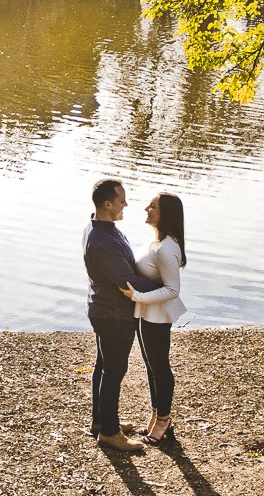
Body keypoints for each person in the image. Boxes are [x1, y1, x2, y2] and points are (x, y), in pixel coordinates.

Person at [82, 178, 161, 453]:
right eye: (121, 200)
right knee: (114, 370)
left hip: (104, 309)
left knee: (103, 367)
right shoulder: (103, 241)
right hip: (112, 314)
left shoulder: (103, 228)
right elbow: (127, 281)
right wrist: (166, 288)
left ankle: (100, 421)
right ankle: (110, 433)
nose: (126, 204)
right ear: (107, 204)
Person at [119, 192, 187, 445]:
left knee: (160, 366)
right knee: (151, 366)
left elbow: (173, 289)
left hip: (157, 314)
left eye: (153, 206)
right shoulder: (156, 241)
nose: (146, 208)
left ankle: (164, 420)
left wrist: (137, 296)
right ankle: (156, 414)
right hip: (147, 311)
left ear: (165, 214)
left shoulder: (167, 248)